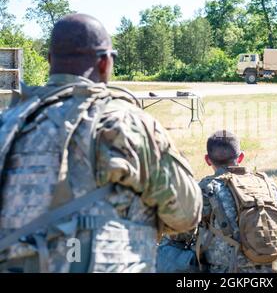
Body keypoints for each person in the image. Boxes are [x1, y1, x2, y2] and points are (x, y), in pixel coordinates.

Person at [0, 14, 202, 273]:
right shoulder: (123, 123)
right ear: (106, 63)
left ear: (50, 61)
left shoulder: (9, 123)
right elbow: (186, 214)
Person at [159, 130, 277, 273]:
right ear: (240, 158)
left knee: (166, 250)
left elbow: (179, 235)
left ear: (208, 160)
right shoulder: (268, 184)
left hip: (227, 271)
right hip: (274, 268)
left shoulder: (205, 189)